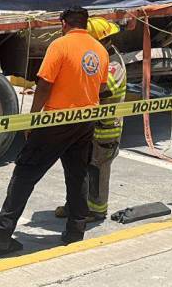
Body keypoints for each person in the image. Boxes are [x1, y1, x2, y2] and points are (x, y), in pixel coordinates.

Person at [0, 6, 108, 252]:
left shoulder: (60, 45)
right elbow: (100, 89)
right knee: (77, 173)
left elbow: (45, 84)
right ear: (85, 23)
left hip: (56, 122)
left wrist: (34, 118)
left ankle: (2, 232)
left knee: (25, 173)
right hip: (84, 122)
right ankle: (75, 230)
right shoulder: (99, 50)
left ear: (64, 23)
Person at [54, 16, 127, 223]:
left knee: (97, 172)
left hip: (105, 130)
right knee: (79, 169)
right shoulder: (99, 58)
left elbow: (103, 90)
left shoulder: (113, 64)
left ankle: (96, 211)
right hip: (89, 127)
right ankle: (75, 205)